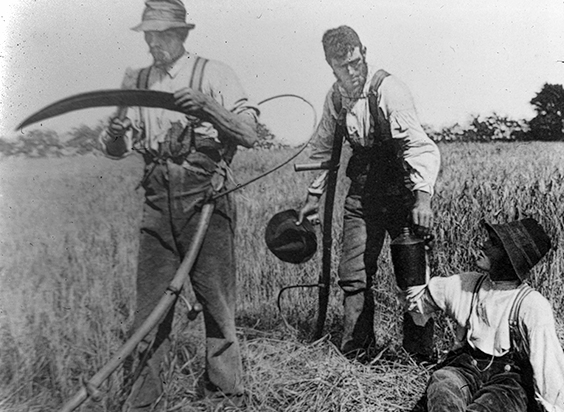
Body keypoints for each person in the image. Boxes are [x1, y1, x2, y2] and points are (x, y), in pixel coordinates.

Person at [98, 1, 259, 410]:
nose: (153, 42)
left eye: (162, 34)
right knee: (149, 309)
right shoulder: (135, 80)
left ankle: (224, 393)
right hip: (157, 199)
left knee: (216, 301)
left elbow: (250, 133)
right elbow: (116, 148)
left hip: (206, 198)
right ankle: (141, 399)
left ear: (182, 35)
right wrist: (115, 134)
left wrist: (207, 107)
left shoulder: (213, 73)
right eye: (148, 34)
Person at [297, 25, 441, 361]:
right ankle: (357, 353)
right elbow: (323, 152)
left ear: (364, 52)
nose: (351, 72)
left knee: (412, 274)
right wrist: (312, 196)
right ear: (331, 66)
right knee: (354, 275)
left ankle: (418, 356)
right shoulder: (335, 98)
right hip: (361, 196)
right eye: (342, 66)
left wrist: (423, 198)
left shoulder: (389, 89)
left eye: (355, 62)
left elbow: (420, 147)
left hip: (400, 192)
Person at [407, 218, 564, 412]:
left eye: (493, 242)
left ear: (510, 258)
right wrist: (416, 256)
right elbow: (416, 301)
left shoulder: (532, 305)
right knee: (443, 387)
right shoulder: (467, 285)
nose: (483, 244)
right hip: (465, 371)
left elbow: (549, 367)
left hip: (508, 384)